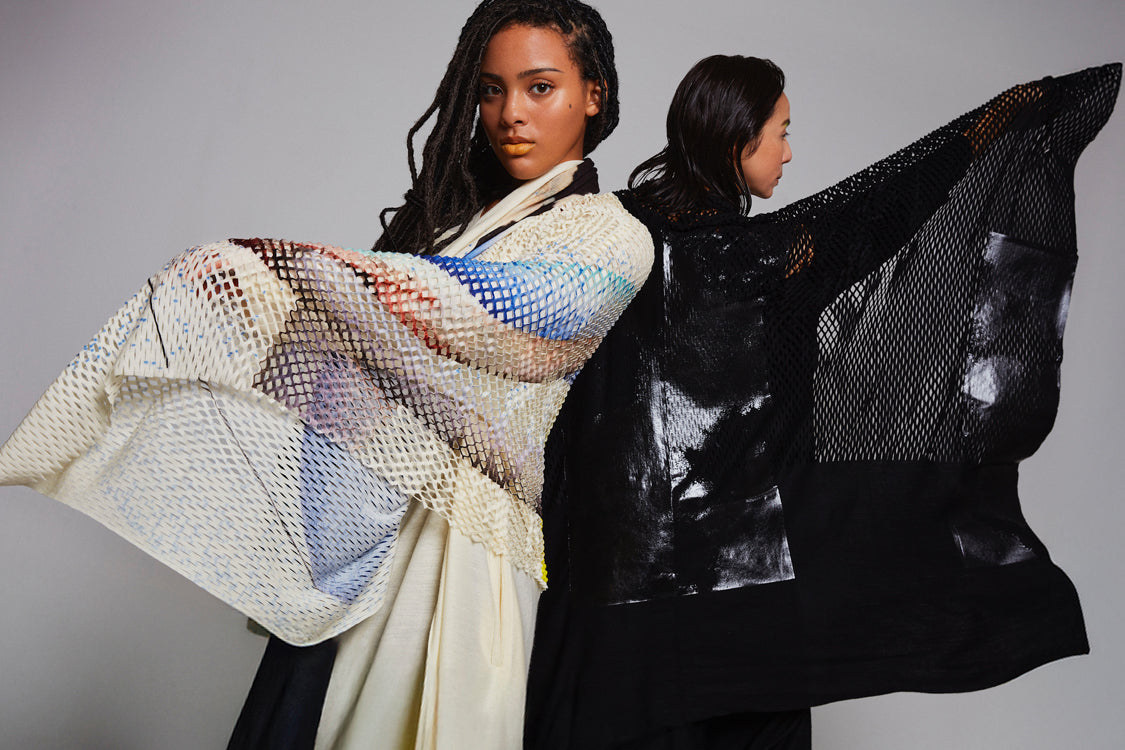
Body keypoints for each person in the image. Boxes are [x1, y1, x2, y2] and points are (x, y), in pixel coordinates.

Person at [0, 1, 652, 749]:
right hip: (358, 531)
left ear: (592, 94)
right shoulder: (452, 230)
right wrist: (254, 310)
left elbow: (481, 314)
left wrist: (285, 271)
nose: (511, 113)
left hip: (460, 548)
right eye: (490, 90)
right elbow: (360, 360)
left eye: (539, 87)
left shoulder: (611, 234)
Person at [524, 55, 1120, 749]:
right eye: (778, 132)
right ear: (736, 138)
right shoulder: (775, 260)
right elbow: (887, 213)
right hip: (746, 594)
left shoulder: (612, 237)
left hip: (618, 595)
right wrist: (986, 132)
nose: (787, 152)